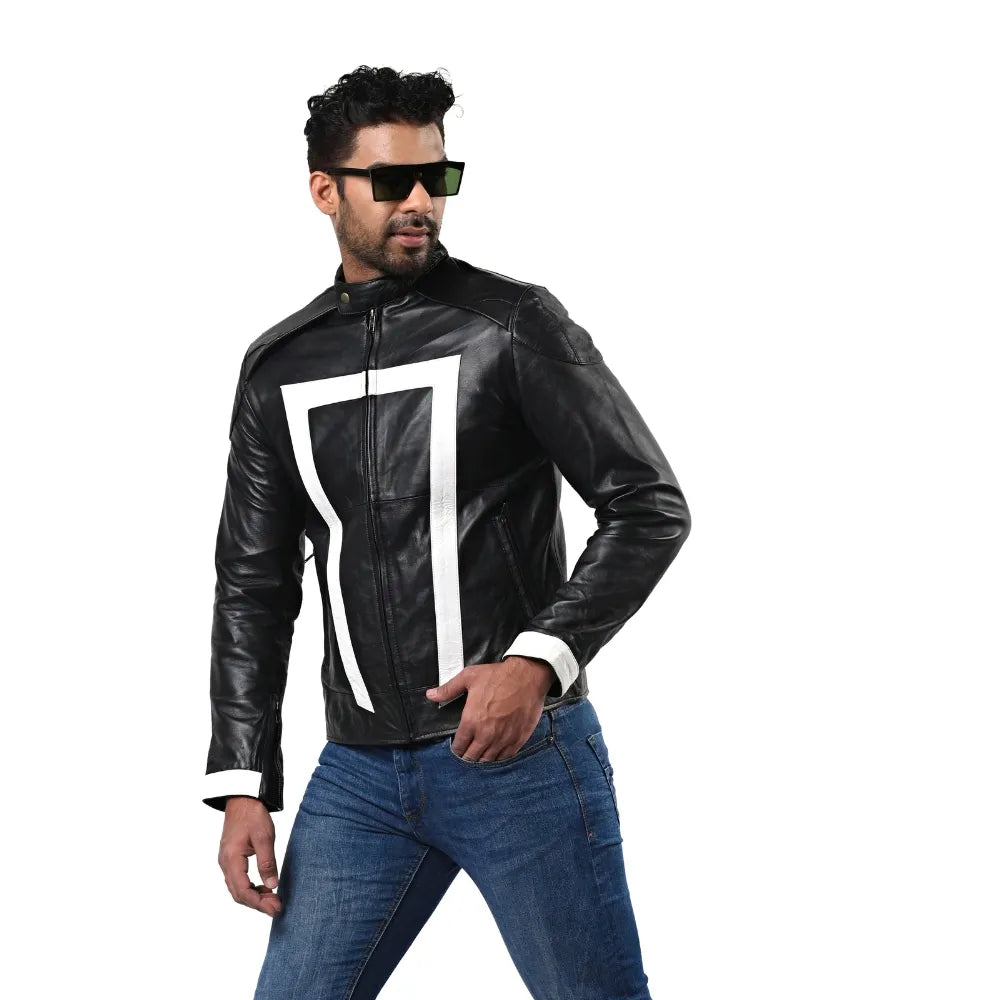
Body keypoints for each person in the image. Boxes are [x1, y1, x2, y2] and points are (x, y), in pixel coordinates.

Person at [203, 64, 692, 1000]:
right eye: (392, 180)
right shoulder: (279, 367)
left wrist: (537, 661)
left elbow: (647, 503)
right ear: (324, 191)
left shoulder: (512, 324)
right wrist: (242, 779)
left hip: (518, 756)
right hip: (356, 777)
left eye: (438, 176)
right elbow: (253, 584)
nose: (421, 201)